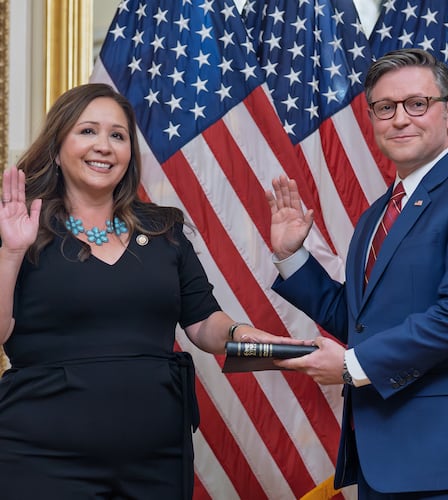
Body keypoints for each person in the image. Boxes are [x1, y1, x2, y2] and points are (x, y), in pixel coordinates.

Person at [0, 82, 289, 499]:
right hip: (39, 456)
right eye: (87, 131)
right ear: (57, 146)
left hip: (156, 458)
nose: (104, 145)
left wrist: (246, 337)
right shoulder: (20, 228)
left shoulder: (163, 229)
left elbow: (203, 320)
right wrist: (11, 253)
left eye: (117, 136)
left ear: (129, 155)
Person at [266, 48, 448, 499]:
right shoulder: (377, 215)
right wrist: (292, 257)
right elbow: (362, 321)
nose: (400, 119)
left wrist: (352, 366)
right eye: (385, 108)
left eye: (417, 104)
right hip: (381, 461)